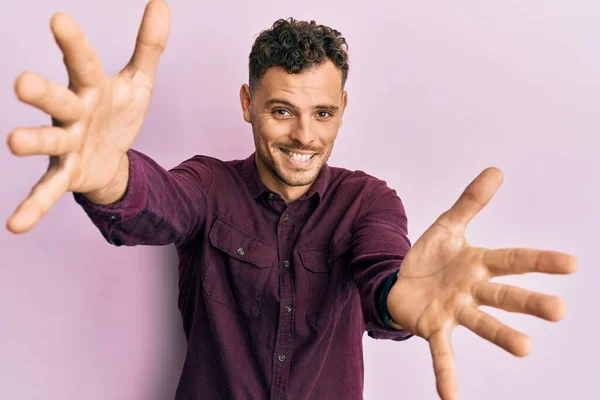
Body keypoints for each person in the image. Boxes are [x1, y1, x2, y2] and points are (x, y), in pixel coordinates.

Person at [6, 1, 577, 399]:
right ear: (247, 102)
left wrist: (399, 297)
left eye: (322, 113)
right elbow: (162, 205)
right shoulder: (209, 184)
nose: (305, 135)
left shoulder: (369, 202)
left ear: (343, 109)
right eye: (282, 110)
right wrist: (109, 176)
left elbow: (383, 273)